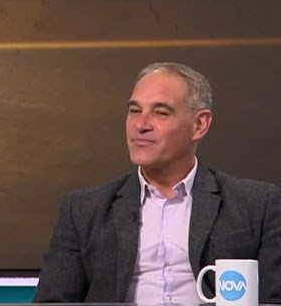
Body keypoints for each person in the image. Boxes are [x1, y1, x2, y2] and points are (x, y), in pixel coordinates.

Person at [34, 62, 281, 304]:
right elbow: (53, 301)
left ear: (199, 125)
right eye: (134, 111)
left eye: (160, 113)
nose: (140, 125)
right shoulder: (83, 210)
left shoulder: (257, 205)